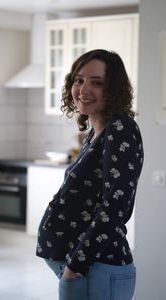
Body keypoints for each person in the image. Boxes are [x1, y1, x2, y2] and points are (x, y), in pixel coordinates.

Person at [36, 49, 144, 300]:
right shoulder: (97, 130)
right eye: (79, 80)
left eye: (96, 82)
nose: (84, 89)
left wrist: (75, 267)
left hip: (95, 269)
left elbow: (115, 206)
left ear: (114, 89)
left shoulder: (121, 128)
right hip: (88, 270)